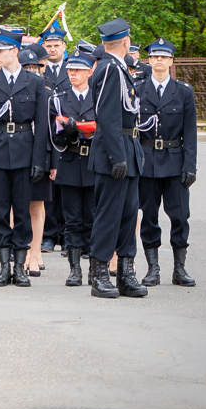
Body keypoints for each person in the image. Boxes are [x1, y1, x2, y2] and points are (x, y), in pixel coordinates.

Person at [0, 28, 49, 287]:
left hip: (25, 153)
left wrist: (40, 160)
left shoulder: (35, 82)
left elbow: (42, 126)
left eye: (1, 51)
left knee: (24, 213)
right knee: (0, 211)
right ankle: (4, 267)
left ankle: (20, 266)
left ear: (14, 51)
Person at [87, 18, 147, 299]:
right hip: (115, 150)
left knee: (128, 213)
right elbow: (108, 116)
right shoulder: (111, 70)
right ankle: (99, 273)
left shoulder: (118, 69)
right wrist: (116, 156)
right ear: (126, 42)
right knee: (109, 215)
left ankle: (125, 272)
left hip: (127, 146)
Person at [136, 37, 197, 287]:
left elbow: (190, 133)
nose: (159, 60)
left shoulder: (183, 92)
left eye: (164, 56)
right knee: (149, 217)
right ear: (148, 60)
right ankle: (153, 268)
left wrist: (190, 166)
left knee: (180, 216)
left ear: (171, 61)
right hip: (147, 161)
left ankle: (180, 268)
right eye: (154, 56)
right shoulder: (138, 91)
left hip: (174, 161)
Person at [49, 49, 98, 286]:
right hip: (69, 162)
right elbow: (54, 139)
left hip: (93, 164)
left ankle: (94, 268)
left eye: (78, 70)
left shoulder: (99, 98)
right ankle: (75, 269)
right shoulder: (59, 99)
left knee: (93, 218)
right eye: (70, 70)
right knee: (72, 220)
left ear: (90, 71)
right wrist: (68, 134)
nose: (72, 74)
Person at [18, 48, 54, 276]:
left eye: (36, 68)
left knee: (37, 205)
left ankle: (35, 252)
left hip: (40, 154)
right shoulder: (15, 91)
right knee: (15, 205)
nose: (32, 72)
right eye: (27, 68)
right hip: (18, 154)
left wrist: (53, 162)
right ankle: (19, 251)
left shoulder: (49, 94)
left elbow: (53, 132)